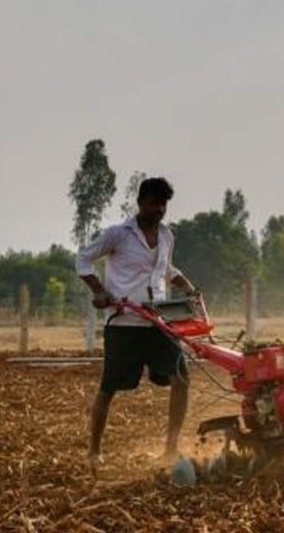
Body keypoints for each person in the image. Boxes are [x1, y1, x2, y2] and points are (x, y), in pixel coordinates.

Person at [76, 176, 199, 473]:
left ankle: (170, 448)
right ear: (141, 202)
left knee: (181, 378)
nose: (159, 209)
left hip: (159, 321)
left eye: (164, 204)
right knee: (109, 387)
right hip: (125, 323)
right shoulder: (119, 235)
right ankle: (94, 451)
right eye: (154, 203)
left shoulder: (167, 236)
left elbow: (166, 270)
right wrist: (100, 291)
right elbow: (83, 259)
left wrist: (189, 289)